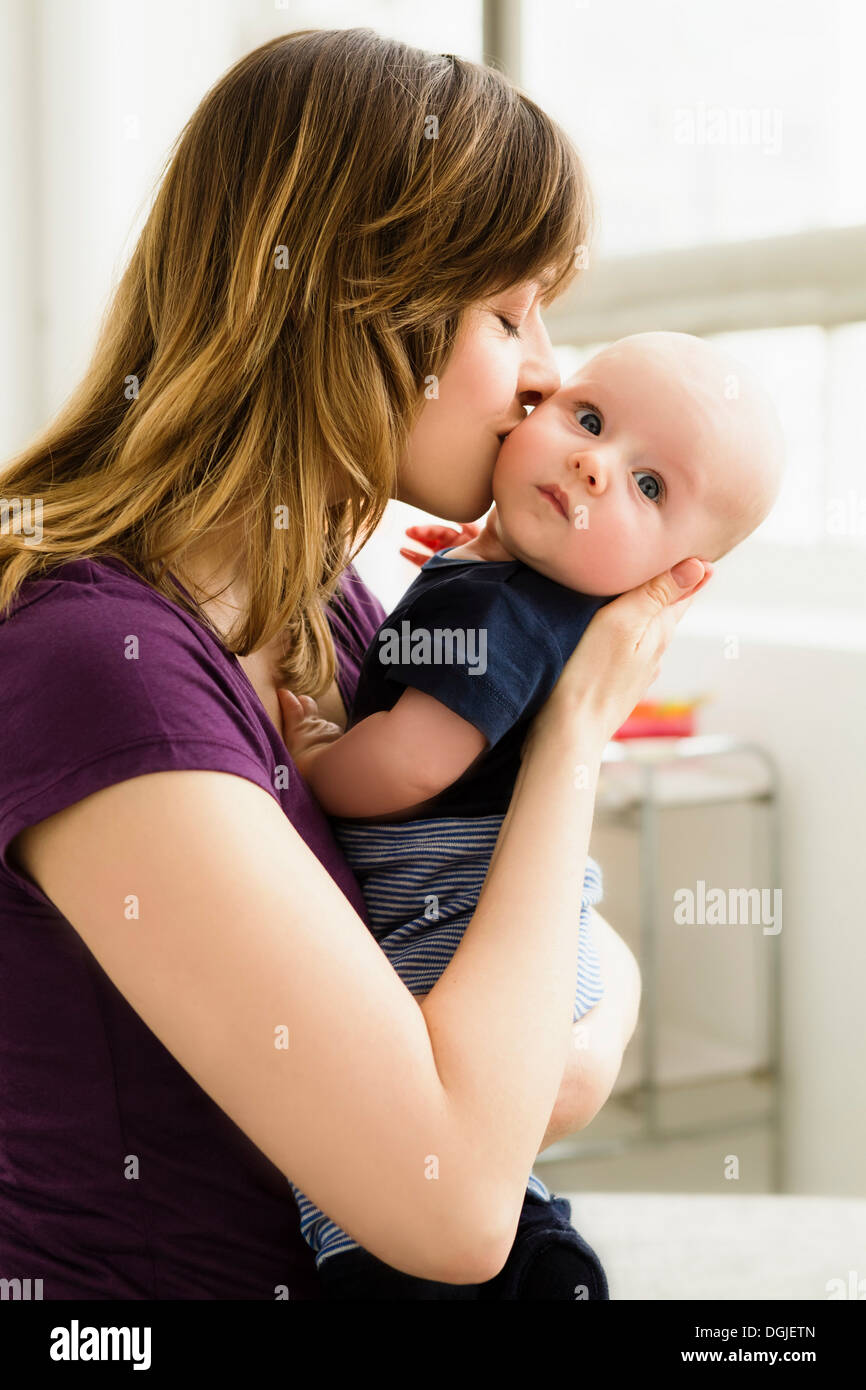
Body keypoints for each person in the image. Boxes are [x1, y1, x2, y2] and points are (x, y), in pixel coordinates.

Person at [0, 29, 708, 1300]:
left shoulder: (318, 603)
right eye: (506, 310)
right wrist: (572, 732)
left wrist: (536, 1060)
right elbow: (453, 1204)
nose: (546, 370)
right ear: (351, 302)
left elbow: (563, 961)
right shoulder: (94, 664)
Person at [276, 330, 782, 1293]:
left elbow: (418, 761)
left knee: (372, 1185)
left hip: (451, 911)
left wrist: (321, 762)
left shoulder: (505, 613)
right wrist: (462, 575)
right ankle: (535, 1243)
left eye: (648, 487)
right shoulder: (501, 591)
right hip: (544, 934)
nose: (594, 463)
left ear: (670, 577)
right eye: (589, 421)